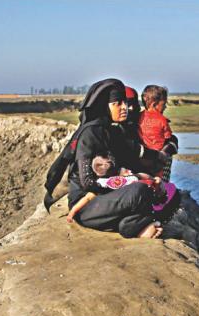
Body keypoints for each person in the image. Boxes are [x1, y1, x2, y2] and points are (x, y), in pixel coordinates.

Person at [65, 78, 170, 238]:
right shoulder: (89, 134)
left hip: (108, 198)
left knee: (153, 190)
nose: (125, 108)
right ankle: (140, 223)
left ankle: (128, 226)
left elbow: (136, 151)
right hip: (88, 206)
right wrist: (134, 179)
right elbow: (88, 183)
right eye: (117, 104)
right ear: (104, 106)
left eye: (125, 103)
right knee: (140, 190)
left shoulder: (112, 132)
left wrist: (161, 157)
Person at [67, 154, 176, 227]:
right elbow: (144, 177)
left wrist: (72, 212)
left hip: (120, 202)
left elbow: (87, 198)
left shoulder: (101, 184)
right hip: (138, 197)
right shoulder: (129, 178)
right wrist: (154, 180)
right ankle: (156, 218)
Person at [138, 85, 176, 181]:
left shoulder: (139, 117)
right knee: (160, 177)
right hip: (159, 157)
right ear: (154, 104)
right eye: (164, 104)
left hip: (143, 158)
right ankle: (164, 186)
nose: (165, 107)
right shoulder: (162, 120)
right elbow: (168, 137)